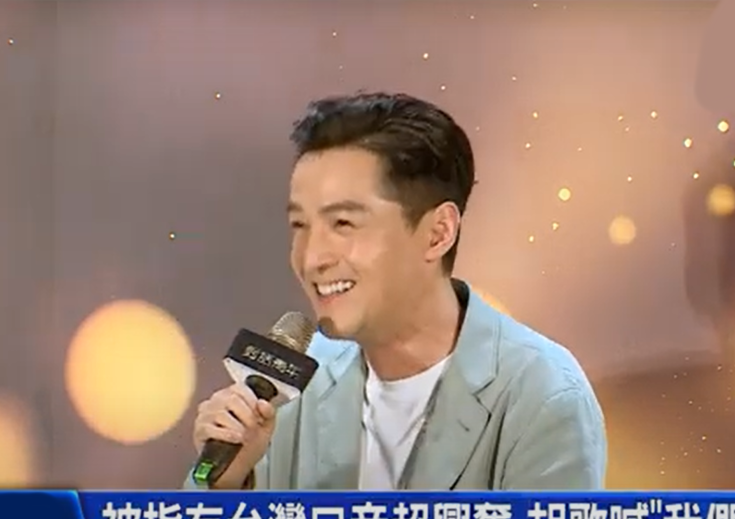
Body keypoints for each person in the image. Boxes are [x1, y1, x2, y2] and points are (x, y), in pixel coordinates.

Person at [186, 92, 607, 490]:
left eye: (343, 224)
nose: (311, 258)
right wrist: (227, 485)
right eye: (300, 225)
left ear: (437, 233)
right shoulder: (294, 385)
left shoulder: (543, 396)